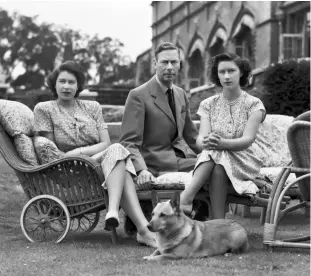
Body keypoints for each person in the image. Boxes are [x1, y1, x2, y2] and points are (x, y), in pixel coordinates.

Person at [33, 61, 156, 247]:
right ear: (54, 84)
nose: (66, 86)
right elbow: (52, 151)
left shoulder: (92, 107)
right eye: (62, 81)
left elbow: (105, 142)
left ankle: (116, 213)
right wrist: (76, 155)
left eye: (72, 82)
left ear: (78, 85)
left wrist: (80, 151)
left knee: (116, 149)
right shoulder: (44, 109)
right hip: (69, 167)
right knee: (121, 165)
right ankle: (141, 228)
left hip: (98, 162)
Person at [180, 53, 266, 219]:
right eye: (222, 72)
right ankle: (219, 224)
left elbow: (247, 140)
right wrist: (206, 141)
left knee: (216, 152)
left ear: (241, 72)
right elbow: (200, 140)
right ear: (216, 74)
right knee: (218, 164)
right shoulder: (208, 104)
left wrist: (220, 143)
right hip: (214, 158)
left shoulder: (254, 104)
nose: (226, 76)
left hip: (245, 159)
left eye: (231, 71)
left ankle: (186, 197)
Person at [120, 42, 201, 187]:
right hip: (154, 164)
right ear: (155, 64)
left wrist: (210, 153)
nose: (170, 67)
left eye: (174, 62)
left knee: (217, 164)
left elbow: (192, 136)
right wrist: (141, 170)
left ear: (179, 65)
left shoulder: (180, 94)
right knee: (212, 169)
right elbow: (129, 142)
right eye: (165, 62)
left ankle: (204, 209)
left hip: (182, 159)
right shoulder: (138, 95)